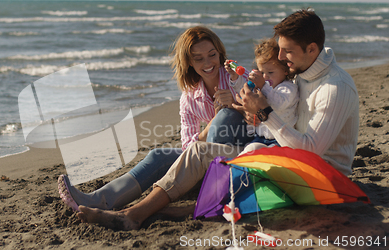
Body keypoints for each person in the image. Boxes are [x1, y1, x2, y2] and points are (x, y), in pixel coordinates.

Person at [75, 9, 359, 230]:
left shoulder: (335, 87)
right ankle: (136, 210)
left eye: (287, 51)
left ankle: (135, 214)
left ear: (311, 49)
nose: (280, 56)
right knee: (194, 152)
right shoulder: (302, 72)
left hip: (316, 178)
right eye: (280, 49)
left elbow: (309, 150)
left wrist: (263, 113)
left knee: (223, 132)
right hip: (281, 157)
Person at [58, 26, 254, 211]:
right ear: (189, 63)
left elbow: (265, 117)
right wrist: (212, 124)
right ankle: (101, 199)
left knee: (226, 117)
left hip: (243, 153)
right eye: (199, 58)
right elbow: (188, 148)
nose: (208, 63)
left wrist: (236, 106)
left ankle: (208, 185)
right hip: (206, 158)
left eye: (212, 55)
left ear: (220, 53)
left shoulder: (237, 77)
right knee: (157, 155)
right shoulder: (189, 98)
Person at [229, 38, 298, 150]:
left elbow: (278, 105)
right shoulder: (264, 87)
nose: (265, 77)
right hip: (260, 137)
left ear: (285, 70)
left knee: (255, 152)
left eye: (270, 72)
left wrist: (262, 86)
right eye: (262, 72)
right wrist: (235, 77)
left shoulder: (288, 88)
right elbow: (245, 93)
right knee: (248, 150)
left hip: (280, 140)